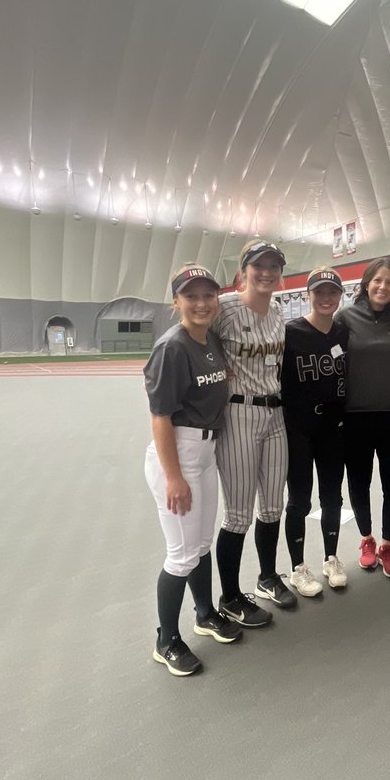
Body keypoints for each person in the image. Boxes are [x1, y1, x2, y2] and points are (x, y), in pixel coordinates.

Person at [144, 265, 241, 676]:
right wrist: (173, 477)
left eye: (208, 295)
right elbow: (160, 417)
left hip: (205, 453)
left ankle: (204, 614)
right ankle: (165, 640)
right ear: (177, 302)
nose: (202, 303)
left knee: (202, 545)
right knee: (181, 556)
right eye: (191, 296)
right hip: (178, 455)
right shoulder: (173, 347)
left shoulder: (211, 340)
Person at [214, 239, 293, 627]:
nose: (267, 272)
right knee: (238, 515)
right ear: (243, 271)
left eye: (273, 266)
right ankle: (229, 596)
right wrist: (213, 367)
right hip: (239, 413)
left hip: (275, 415)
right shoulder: (226, 307)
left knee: (273, 506)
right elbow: (194, 335)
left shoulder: (278, 311)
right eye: (258, 265)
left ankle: (267, 577)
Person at [336, 257, 390, 577]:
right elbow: (335, 359)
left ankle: (387, 545)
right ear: (366, 283)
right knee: (359, 482)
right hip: (355, 417)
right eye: (378, 280)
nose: (383, 287)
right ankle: (366, 540)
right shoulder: (345, 318)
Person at [282, 268, 350, 595]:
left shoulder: (343, 333)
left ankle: (331, 558)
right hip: (298, 429)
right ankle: (298, 567)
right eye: (319, 292)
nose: (325, 299)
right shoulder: (290, 333)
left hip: (334, 428)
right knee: (299, 500)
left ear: (340, 296)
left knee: (332, 497)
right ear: (308, 294)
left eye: (332, 293)